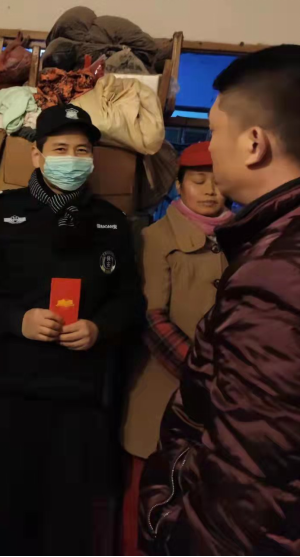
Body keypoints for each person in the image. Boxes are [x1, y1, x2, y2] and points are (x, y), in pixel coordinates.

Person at [0, 104, 145, 556]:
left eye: (82, 150)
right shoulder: (1, 213)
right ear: (37, 155)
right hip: (13, 394)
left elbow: (130, 300)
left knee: (71, 524)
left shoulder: (111, 222)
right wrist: (17, 320)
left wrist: (99, 327)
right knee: (14, 519)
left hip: (81, 399)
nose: (71, 159)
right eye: (60, 149)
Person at [140, 45, 300, 555]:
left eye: (213, 131)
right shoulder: (270, 244)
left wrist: (167, 524)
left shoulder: (276, 274)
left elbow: (248, 493)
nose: (210, 148)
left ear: (253, 143)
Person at [120, 142, 232, 554]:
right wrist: (201, 370)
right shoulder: (155, 238)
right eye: (198, 181)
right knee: (147, 493)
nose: (210, 191)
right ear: (179, 186)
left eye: (218, 182)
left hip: (224, 395)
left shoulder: (243, 237)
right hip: (163, 388)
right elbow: (152, 318)